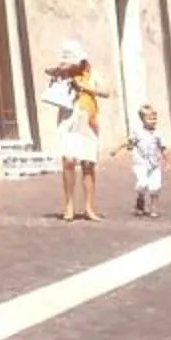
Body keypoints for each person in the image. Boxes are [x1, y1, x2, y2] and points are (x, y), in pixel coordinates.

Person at [45, 41, 107, 222]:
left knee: (88, 164)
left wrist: (85, 88)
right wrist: (63, 69)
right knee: (68, 161)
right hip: (68, 120)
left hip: (88, 119)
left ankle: (89, 207)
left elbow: (106, 91)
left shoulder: (91, 73)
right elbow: (49, 71)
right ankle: (69, 205)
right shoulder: (64, 75)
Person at [125, 102, 169, 218]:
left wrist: (166, 160)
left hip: (154, 164)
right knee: (142, 184)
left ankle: (153, 207)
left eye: (154, 118)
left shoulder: (158, 133)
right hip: (140, 164)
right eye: (149, 118)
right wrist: (128, 145)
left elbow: (162, 147)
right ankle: (140, 200)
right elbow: (130, 143)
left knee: (155, 186)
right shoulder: (137, 132)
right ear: (142, 119)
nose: (153, 121)